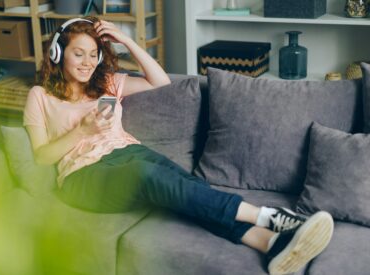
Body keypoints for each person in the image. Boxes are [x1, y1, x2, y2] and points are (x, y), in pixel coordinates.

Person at [24, 16, 334, 275]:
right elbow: (41, 156)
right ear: (57, 54)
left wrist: (126, 40)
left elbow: (160, 81)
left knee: (187, 186)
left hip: (128, 152)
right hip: (83, 176)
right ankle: (270, 217)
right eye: (79, 54)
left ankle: (269, 245)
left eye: (94, 54)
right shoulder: (39, 96)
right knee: (147, 175)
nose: (87, 62)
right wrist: (82, 130)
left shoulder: (106, 84)